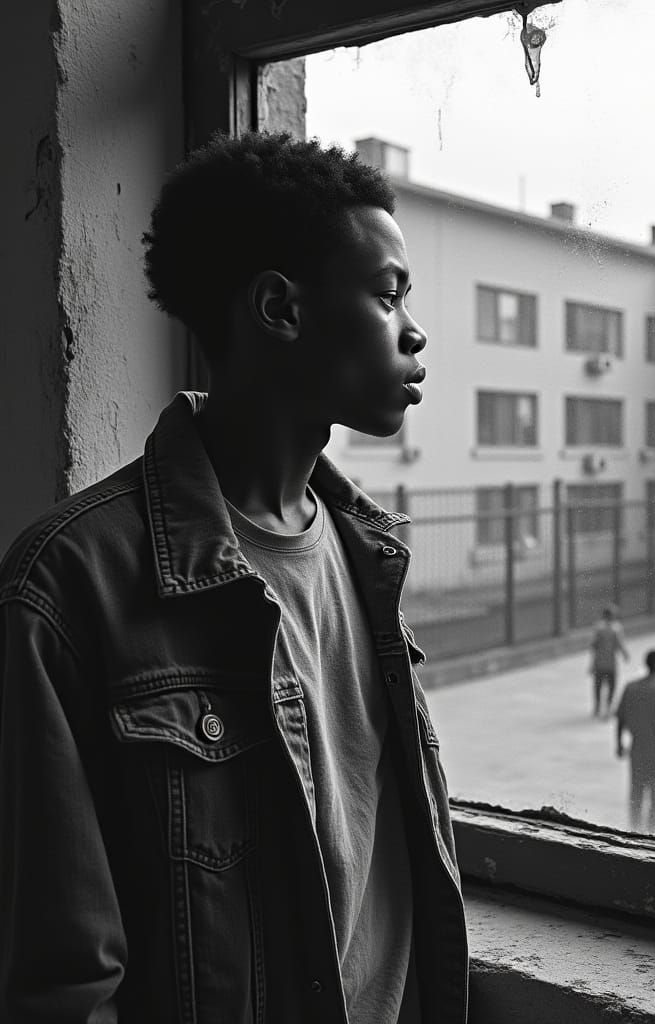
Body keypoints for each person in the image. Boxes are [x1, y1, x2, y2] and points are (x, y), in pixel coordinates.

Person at [0, 133, 467, 1023]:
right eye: (385, 294)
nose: (414, 330)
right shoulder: (66, 590)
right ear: (280, 308)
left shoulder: (368, 557)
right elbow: (62, 982)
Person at [615, 649, 655, 834]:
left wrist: (619, 743)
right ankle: (653, 833)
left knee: (637, 793)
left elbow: (620, 718)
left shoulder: (631, 688)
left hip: (637, 751)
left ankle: (634, 830)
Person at [589, 603, 630, 718]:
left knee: (598, 686)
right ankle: (607, 707)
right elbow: (620, 644)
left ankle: (597, 707)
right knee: (611, 686)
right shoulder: (616, 629)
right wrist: (625, 655)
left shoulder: (598, 628)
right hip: (611, 663)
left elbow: (593, 646)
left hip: (599, 662)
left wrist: (592, 664)